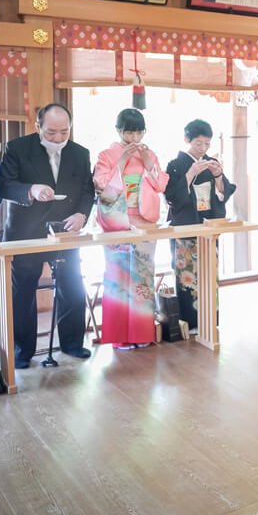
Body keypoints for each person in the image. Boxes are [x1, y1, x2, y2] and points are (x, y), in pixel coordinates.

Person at [0, 103, 94, 368]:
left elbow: (87, 191)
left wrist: (82, 215)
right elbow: (5, 185)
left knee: (72, 286)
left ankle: (73, 343)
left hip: (65, 230)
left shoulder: (79, 153)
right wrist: (30, 190)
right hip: (25, 231)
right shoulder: (17, 148)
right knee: (22, 293)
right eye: (51, 133)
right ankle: (21, 351)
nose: (58, 139)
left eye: (64, 132)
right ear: (37, 126)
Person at [93, 108, 170, 348]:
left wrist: (148, 163)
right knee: (118, 279)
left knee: (143, 278)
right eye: (130, 133)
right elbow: (102, 185)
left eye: (139, 133)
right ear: (118, 130)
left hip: (144, 221)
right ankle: (120, 337)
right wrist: (122, 162)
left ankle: (142, 333)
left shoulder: (149, 154)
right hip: (118, 222)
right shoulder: (106, 154)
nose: (135, 138)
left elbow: (159, 186)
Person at [163, 119, 236, 332]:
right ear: (187, 140)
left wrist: (217, 175)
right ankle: (190, 323)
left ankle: (210, 319)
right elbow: (172, 197)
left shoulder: (210, 163)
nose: (203, 149)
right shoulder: (175, 165)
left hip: (207, 225)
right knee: (187, 276)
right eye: (198, 144)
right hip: (185, 226)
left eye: (206, 144)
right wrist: (190, 173)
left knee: (209, 274)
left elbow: (224, 193)